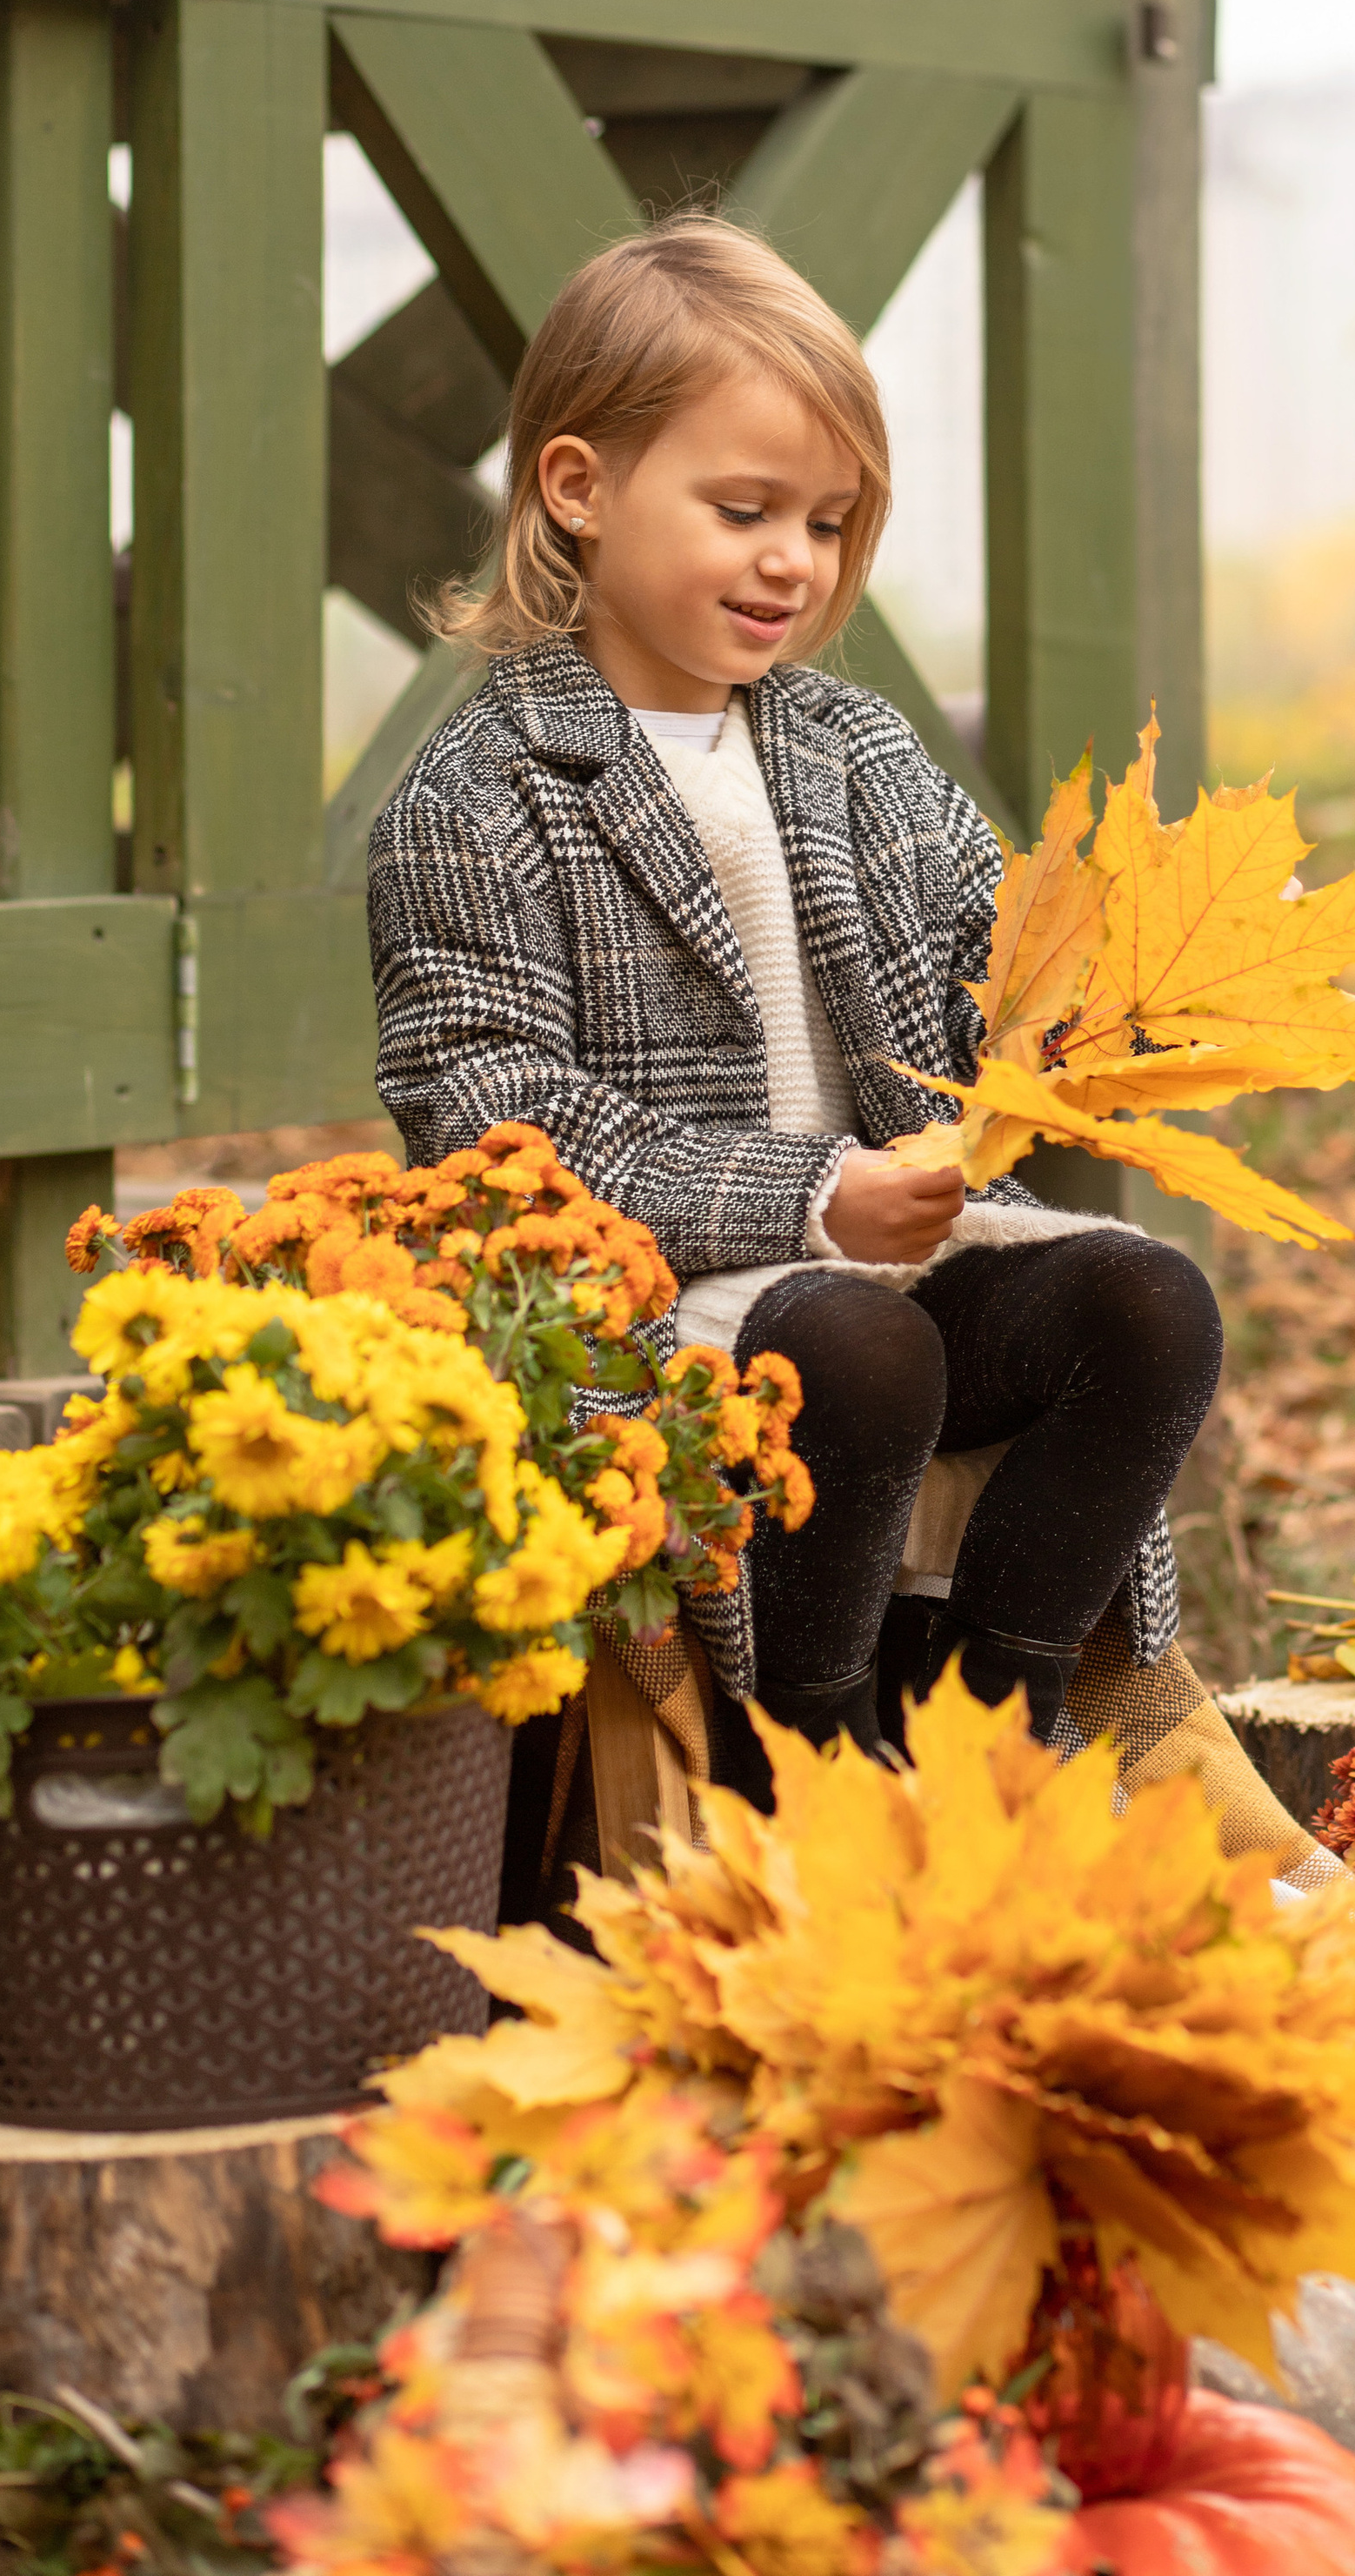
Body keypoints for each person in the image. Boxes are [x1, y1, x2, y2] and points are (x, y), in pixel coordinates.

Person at [368, 212, 1223, 1803]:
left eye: (829, 524)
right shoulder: (483, 789)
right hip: (665, 1301)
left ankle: (998, 1723)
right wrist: (809, 1195)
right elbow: (490, 1115)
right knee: (859, 1349)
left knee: (1148, 1306)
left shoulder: (854, 750)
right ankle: (808, 1757)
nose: (794, 562)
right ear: (579, 488)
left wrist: (1093, 1023)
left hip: (889, 1245)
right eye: (745, 509)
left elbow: (988, 967)